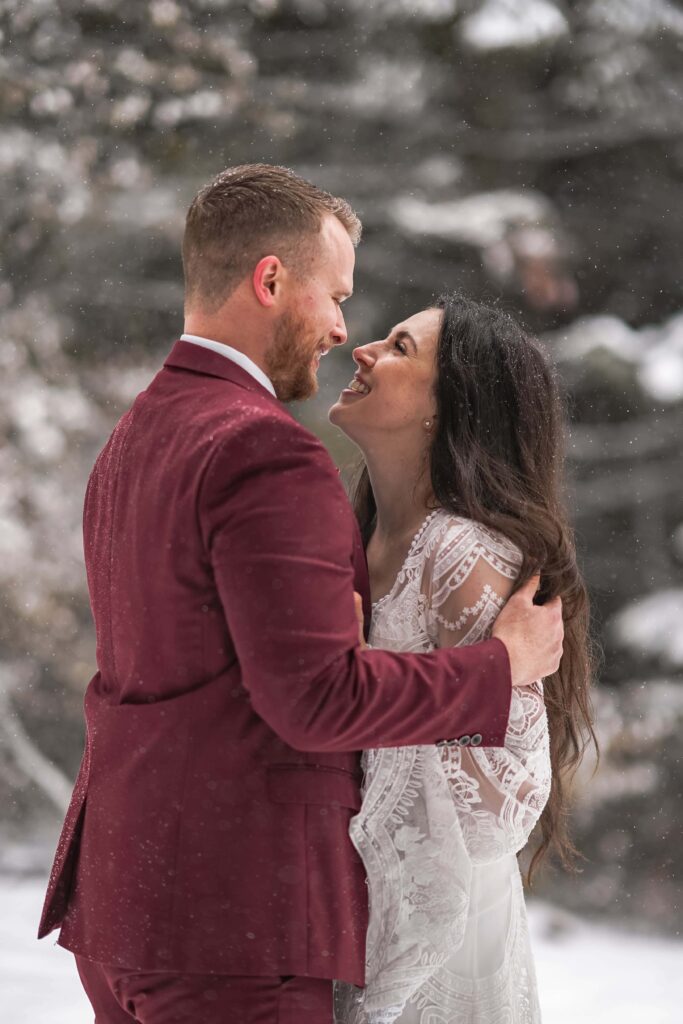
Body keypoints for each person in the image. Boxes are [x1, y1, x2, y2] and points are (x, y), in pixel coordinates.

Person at [37, 166, 564, 1024]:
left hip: (127, 901)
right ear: (271, 280)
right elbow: (315, 699)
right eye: (336, 295)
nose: (342, 330)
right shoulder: (261, 450)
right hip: (233, 917)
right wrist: (497, 666)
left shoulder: (138, 432)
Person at [329, 295, 595, 1024]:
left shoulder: (460, 554)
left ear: (447, 411)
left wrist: (363, 695)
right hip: (354, 915)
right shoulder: (359, 536)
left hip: (440, 939)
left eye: (399, 347)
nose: (362, 350)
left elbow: (503, 809)